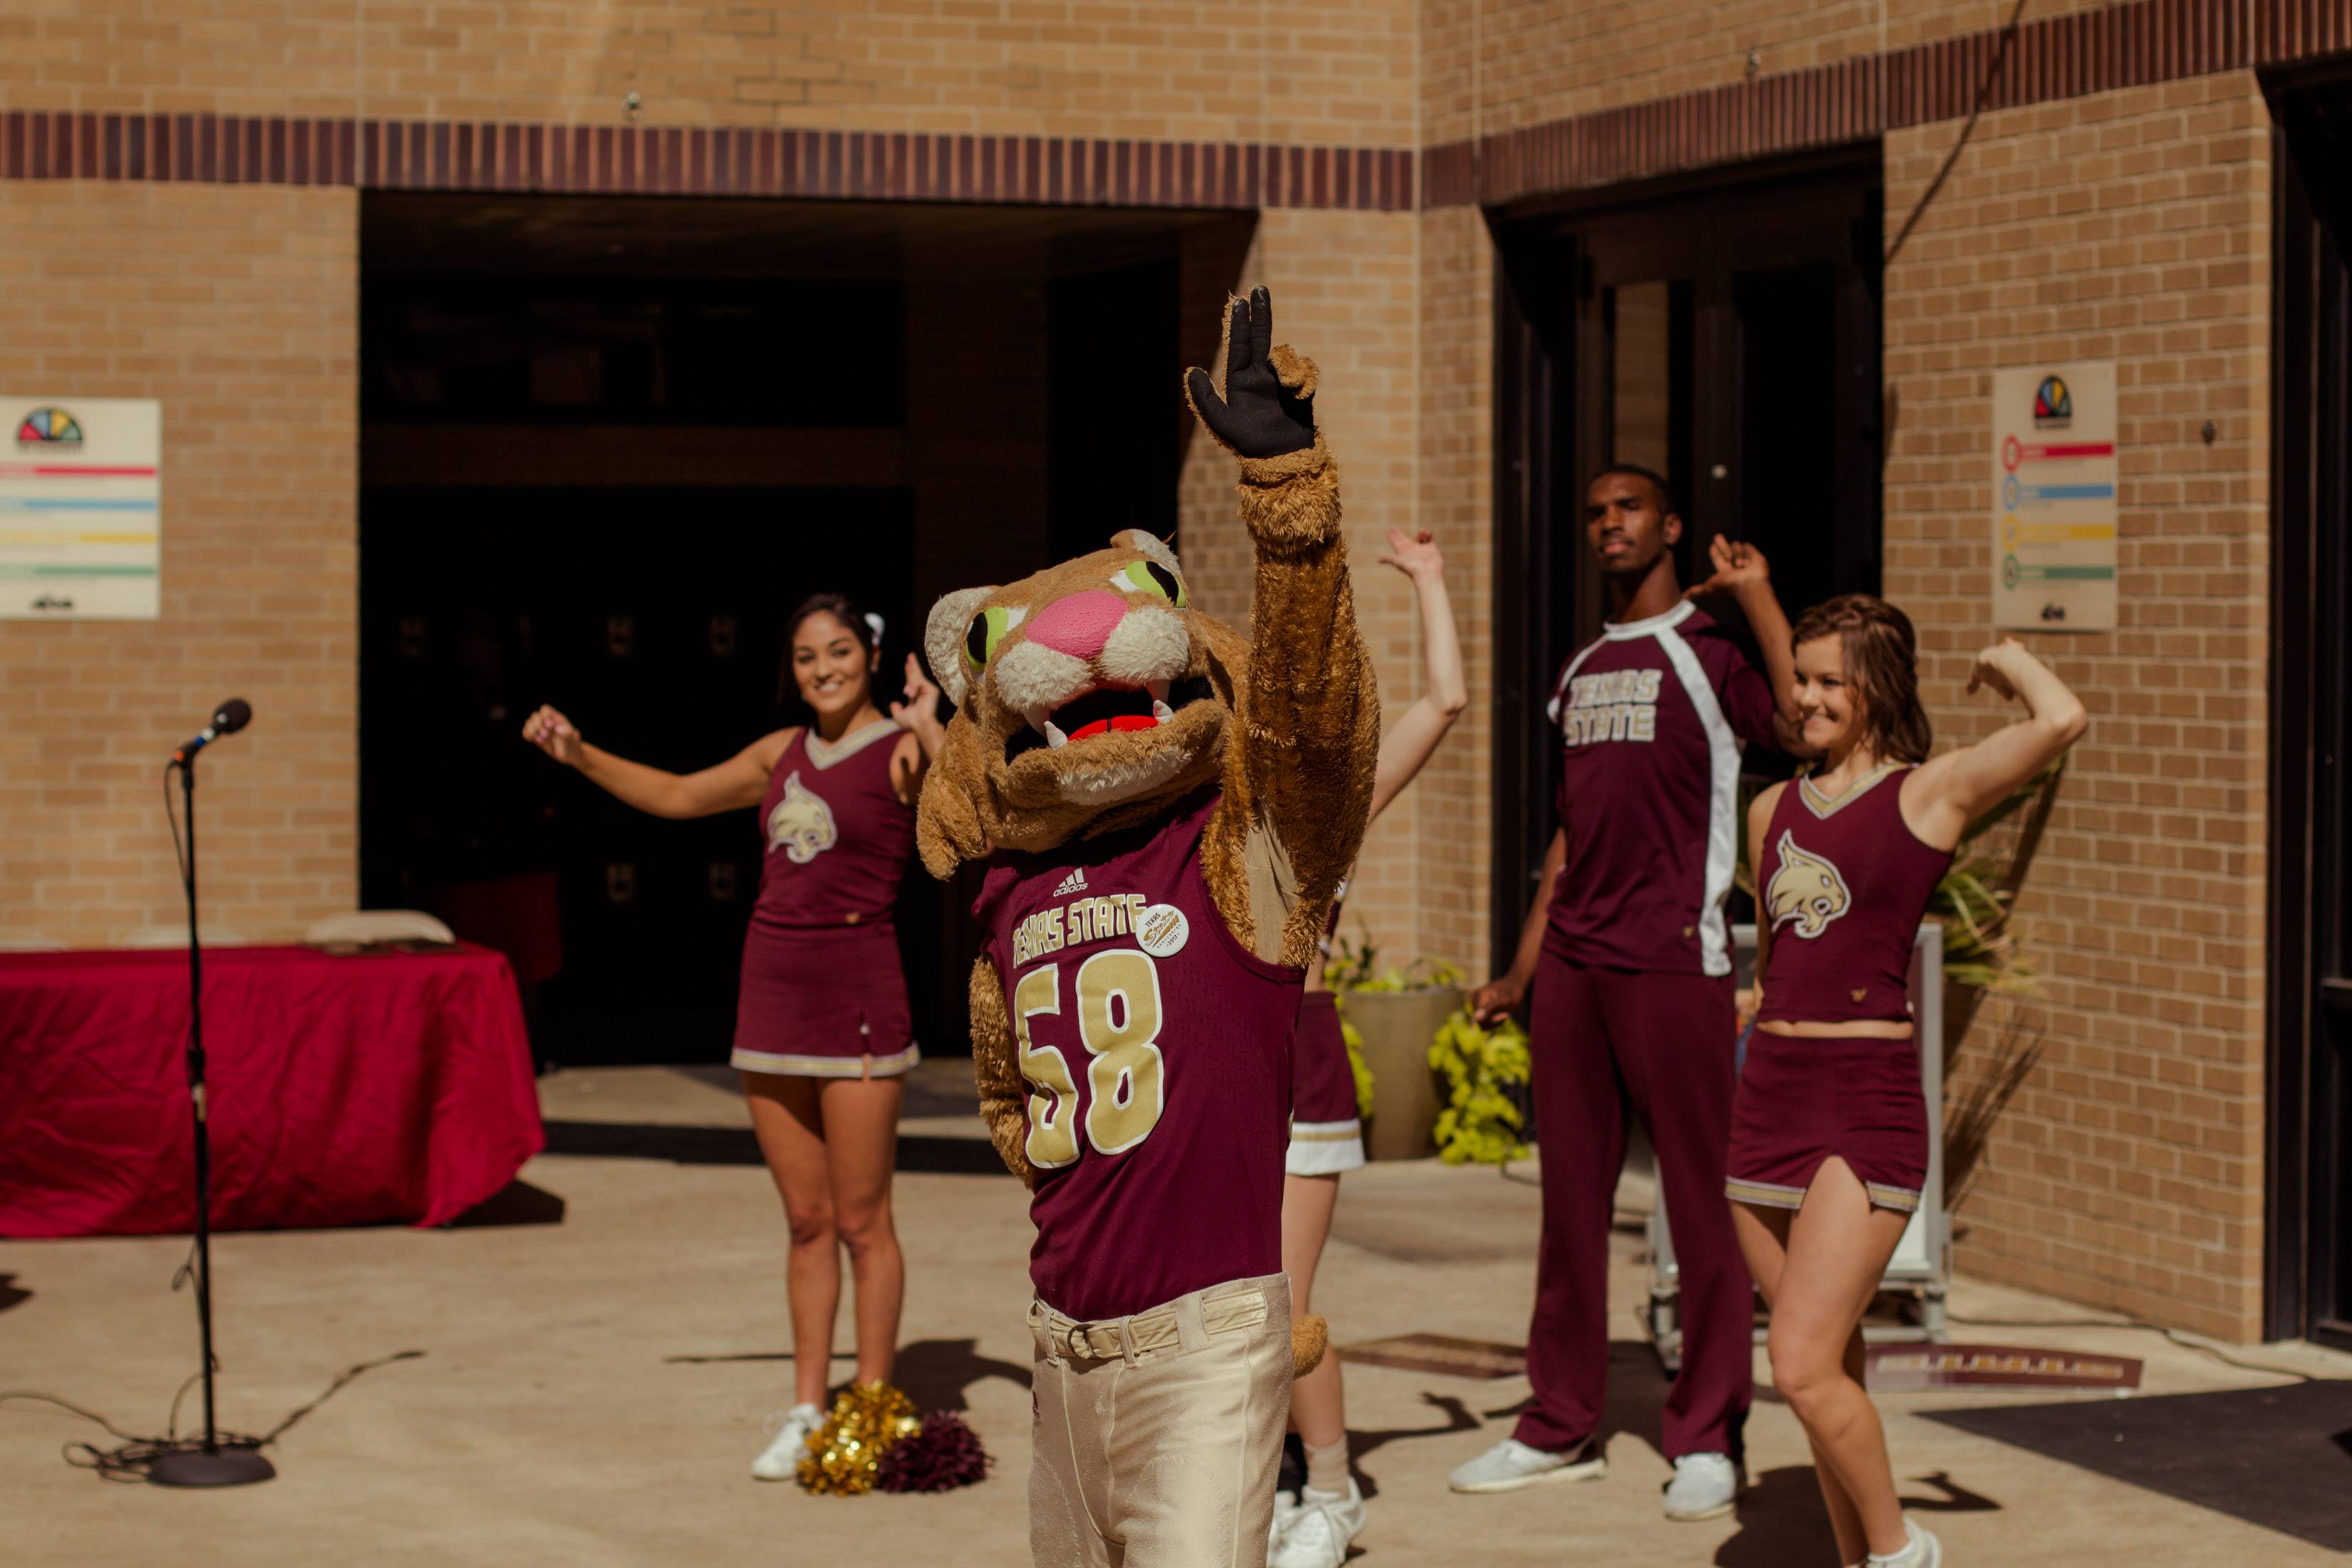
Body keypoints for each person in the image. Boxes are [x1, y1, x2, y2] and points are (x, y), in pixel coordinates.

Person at [916, 287, 1378, 1568]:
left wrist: (1289, 500)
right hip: (1059, 1336)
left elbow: (1315, 725)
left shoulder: (1239, 852)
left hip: (1205, 1336)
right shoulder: (1005, 892)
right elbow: (1014, 1101)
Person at [520, 594, 944, 1480]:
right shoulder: (778, 752)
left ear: (868, 657)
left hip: (861, 996)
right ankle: (804, 1408)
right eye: (803, 657)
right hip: (772, 1001)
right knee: (804, 1222)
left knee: (864, 1223)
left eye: (836, 652)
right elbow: (676, 796)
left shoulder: (901, 750)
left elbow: (967, 812)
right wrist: (578, 753)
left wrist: (937, 728)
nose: (821, 669)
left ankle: (869, 1410)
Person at [1455, 464, 1806, 1520]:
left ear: (1671, 526)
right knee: (1569, 1207)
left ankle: (1708, 1433)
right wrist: (1520, 969)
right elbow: (1569, 836)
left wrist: (1757, 599)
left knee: (1701, 1208)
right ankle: (1558, 1423)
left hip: (1672, 959)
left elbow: (1794, 728)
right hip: (1573, 965)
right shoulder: (1577, 671)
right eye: (1598, 511)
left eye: (1630, 510)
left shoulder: (1711, 656)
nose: (1610, 524)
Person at [1733, 602, 2085, 1568]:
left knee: (1797, 1364)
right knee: (1827, 1369)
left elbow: (2062, 721)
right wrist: (1753, 1001)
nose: (1802, 697)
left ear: (1876, 689)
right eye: (1798, 678)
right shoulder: (1771, 810)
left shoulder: (1928, 795)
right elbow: (1775, 953)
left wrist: (2009, 658)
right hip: (1768, 1097)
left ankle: (1899, 1553)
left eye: (1826, 681)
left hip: (1864, 1099)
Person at [1270, 527, 1466, 1568]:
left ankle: (1335, 1495)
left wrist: (1429, 582)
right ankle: (1260, 1483)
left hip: (1301, 1062)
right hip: (1218, 1069)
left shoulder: (1332, 809)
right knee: (1224, 1303)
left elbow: (1444, 705)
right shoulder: (1193, 811)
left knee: (1282, 1304)